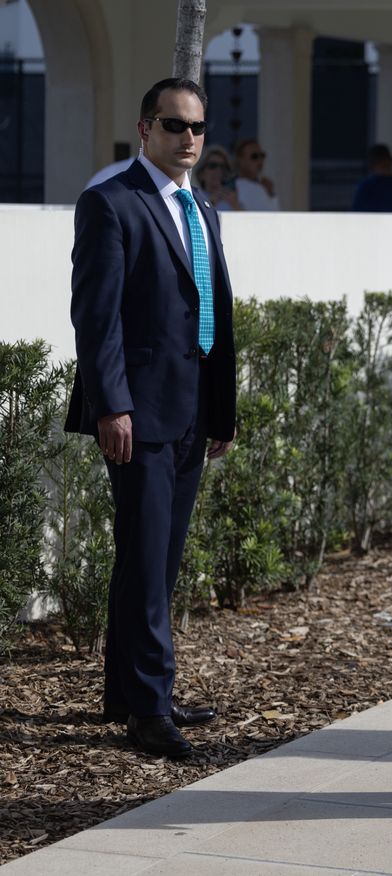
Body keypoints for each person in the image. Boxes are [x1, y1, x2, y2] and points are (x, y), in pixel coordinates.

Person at [65, 78, 238, 758]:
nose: (188, 138)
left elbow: (215, 317)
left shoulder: (204, 210)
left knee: (155, 562)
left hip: (193, 414)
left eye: (197, 127)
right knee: (145, 561)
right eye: (174, 125)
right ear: (145, 130)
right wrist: (112, 404)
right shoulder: (110, 204)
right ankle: (150, 708)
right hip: (138, 415)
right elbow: (95, 316)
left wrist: (221, 412)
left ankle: (127, 694)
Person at [232, 138, 279, 210]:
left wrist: (271, 195)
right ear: (240, 160)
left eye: (262, 156)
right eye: (254, 156)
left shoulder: (264, 187)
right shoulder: (232, 188)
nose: (260, 161)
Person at [194, 144, 241, 211]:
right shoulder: (194, 198)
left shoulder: (235, 198)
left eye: (223, 167)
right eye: (212, 166)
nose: (219, 171)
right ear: (201, 173)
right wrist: (209, 204)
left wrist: (236, 206)